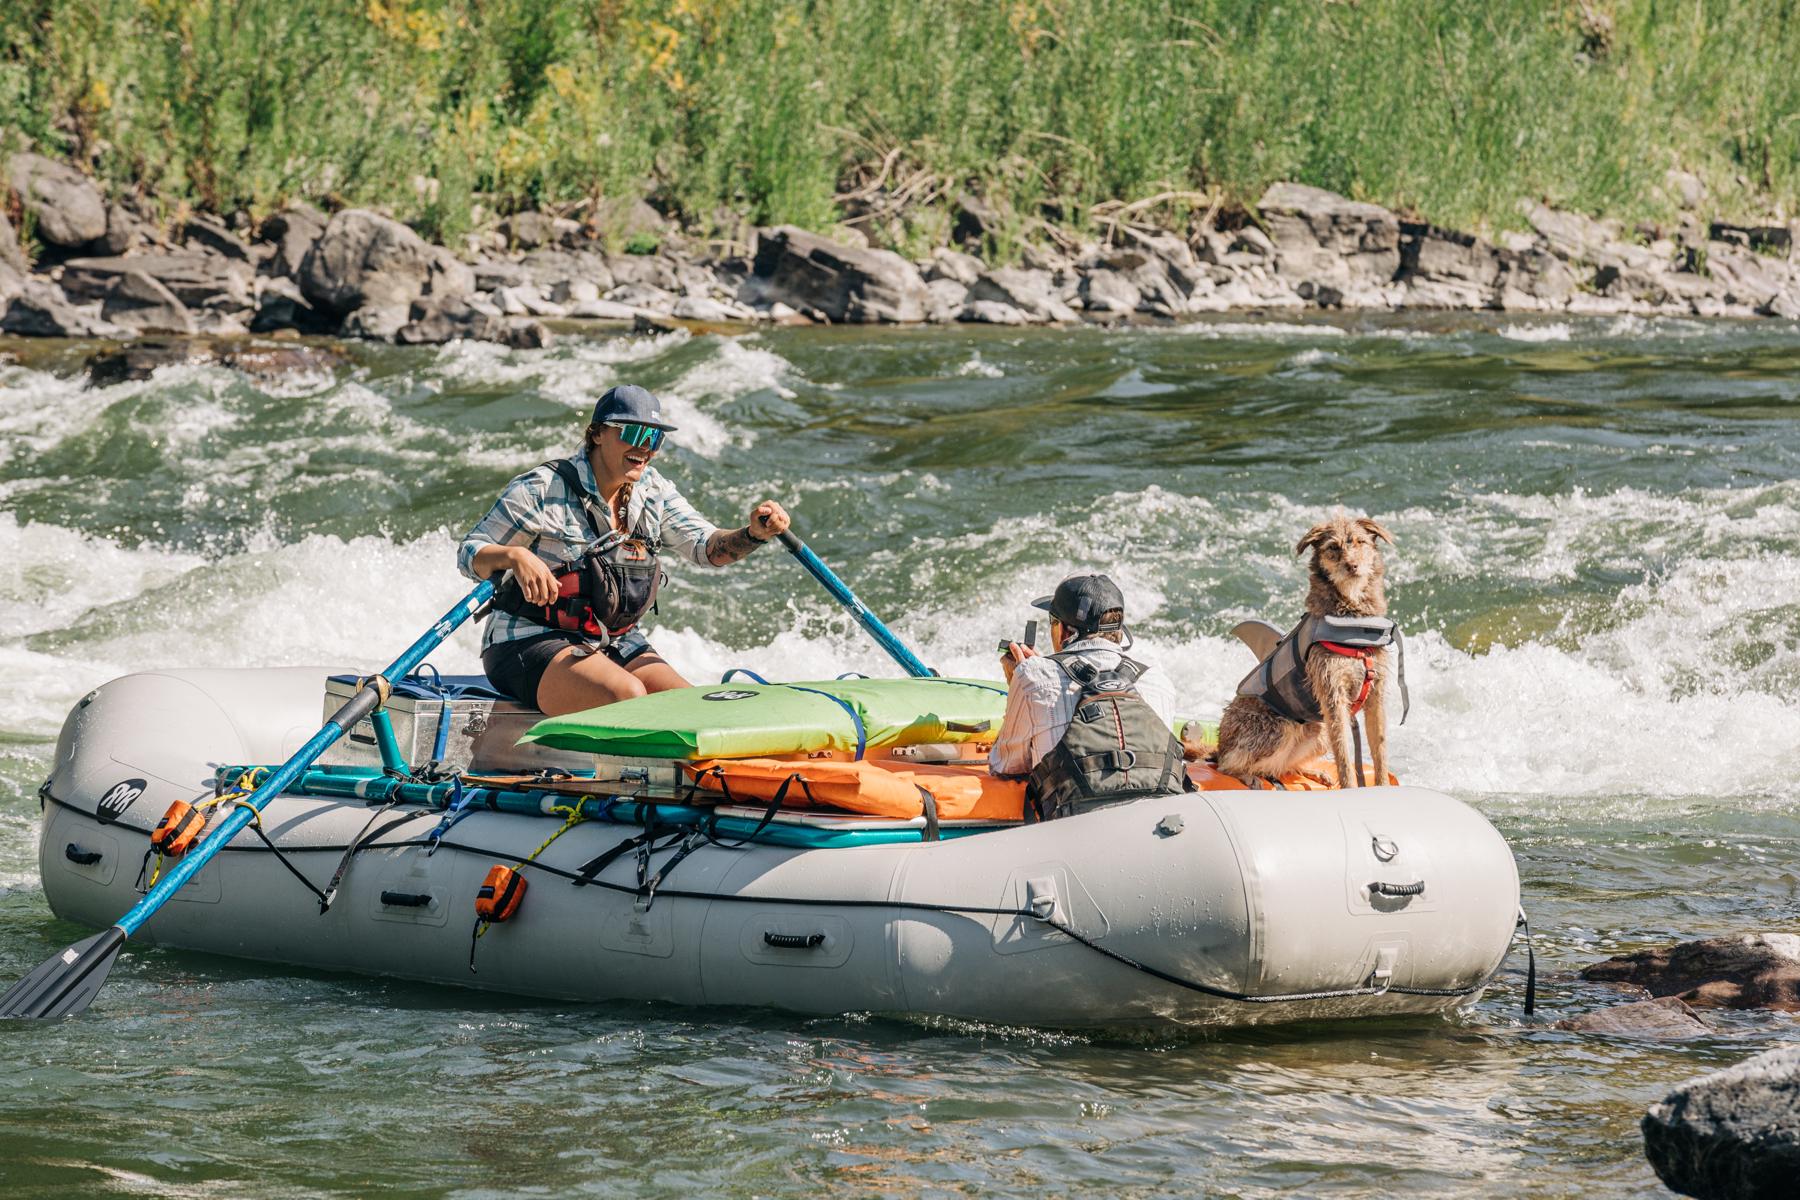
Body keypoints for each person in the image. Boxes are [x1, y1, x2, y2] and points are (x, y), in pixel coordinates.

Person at [458, 384, 790, 714]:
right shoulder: (540, 489)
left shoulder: (654, 491)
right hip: (527, 639)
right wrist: (514, 556)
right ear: (597, 434)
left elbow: (709, 549)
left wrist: (754, 534)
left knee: (692, 708)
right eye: (633, 433)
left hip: (612, 641)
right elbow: (470, 553)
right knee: (627, 695)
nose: (644, 447)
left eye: (655, 438)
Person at [989, 573, 1187, 821]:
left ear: (1064, 631)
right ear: (1119, 631)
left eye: (1052, 621)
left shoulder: (1032, 676)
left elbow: (1006, 764)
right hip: (1157, 826)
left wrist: (1018, 683)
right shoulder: (1157, 680)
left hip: (1075, 830)